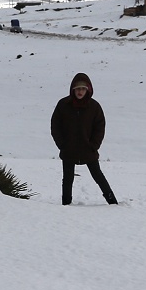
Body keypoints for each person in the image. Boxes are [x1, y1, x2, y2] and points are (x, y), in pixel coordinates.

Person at [50, 72, 117, 205]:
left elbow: (100, 127)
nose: (80, 92)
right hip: (69, 149)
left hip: (88, 150)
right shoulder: (63, 104)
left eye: (83, 89)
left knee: (98, 176)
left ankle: (113, 203)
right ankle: (66, 205)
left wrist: (94, 145)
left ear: (88, 90)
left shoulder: (94, 107)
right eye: (77, 89)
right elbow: (55, 126)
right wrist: (62, 144)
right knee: (67, 179)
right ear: (73, 90)